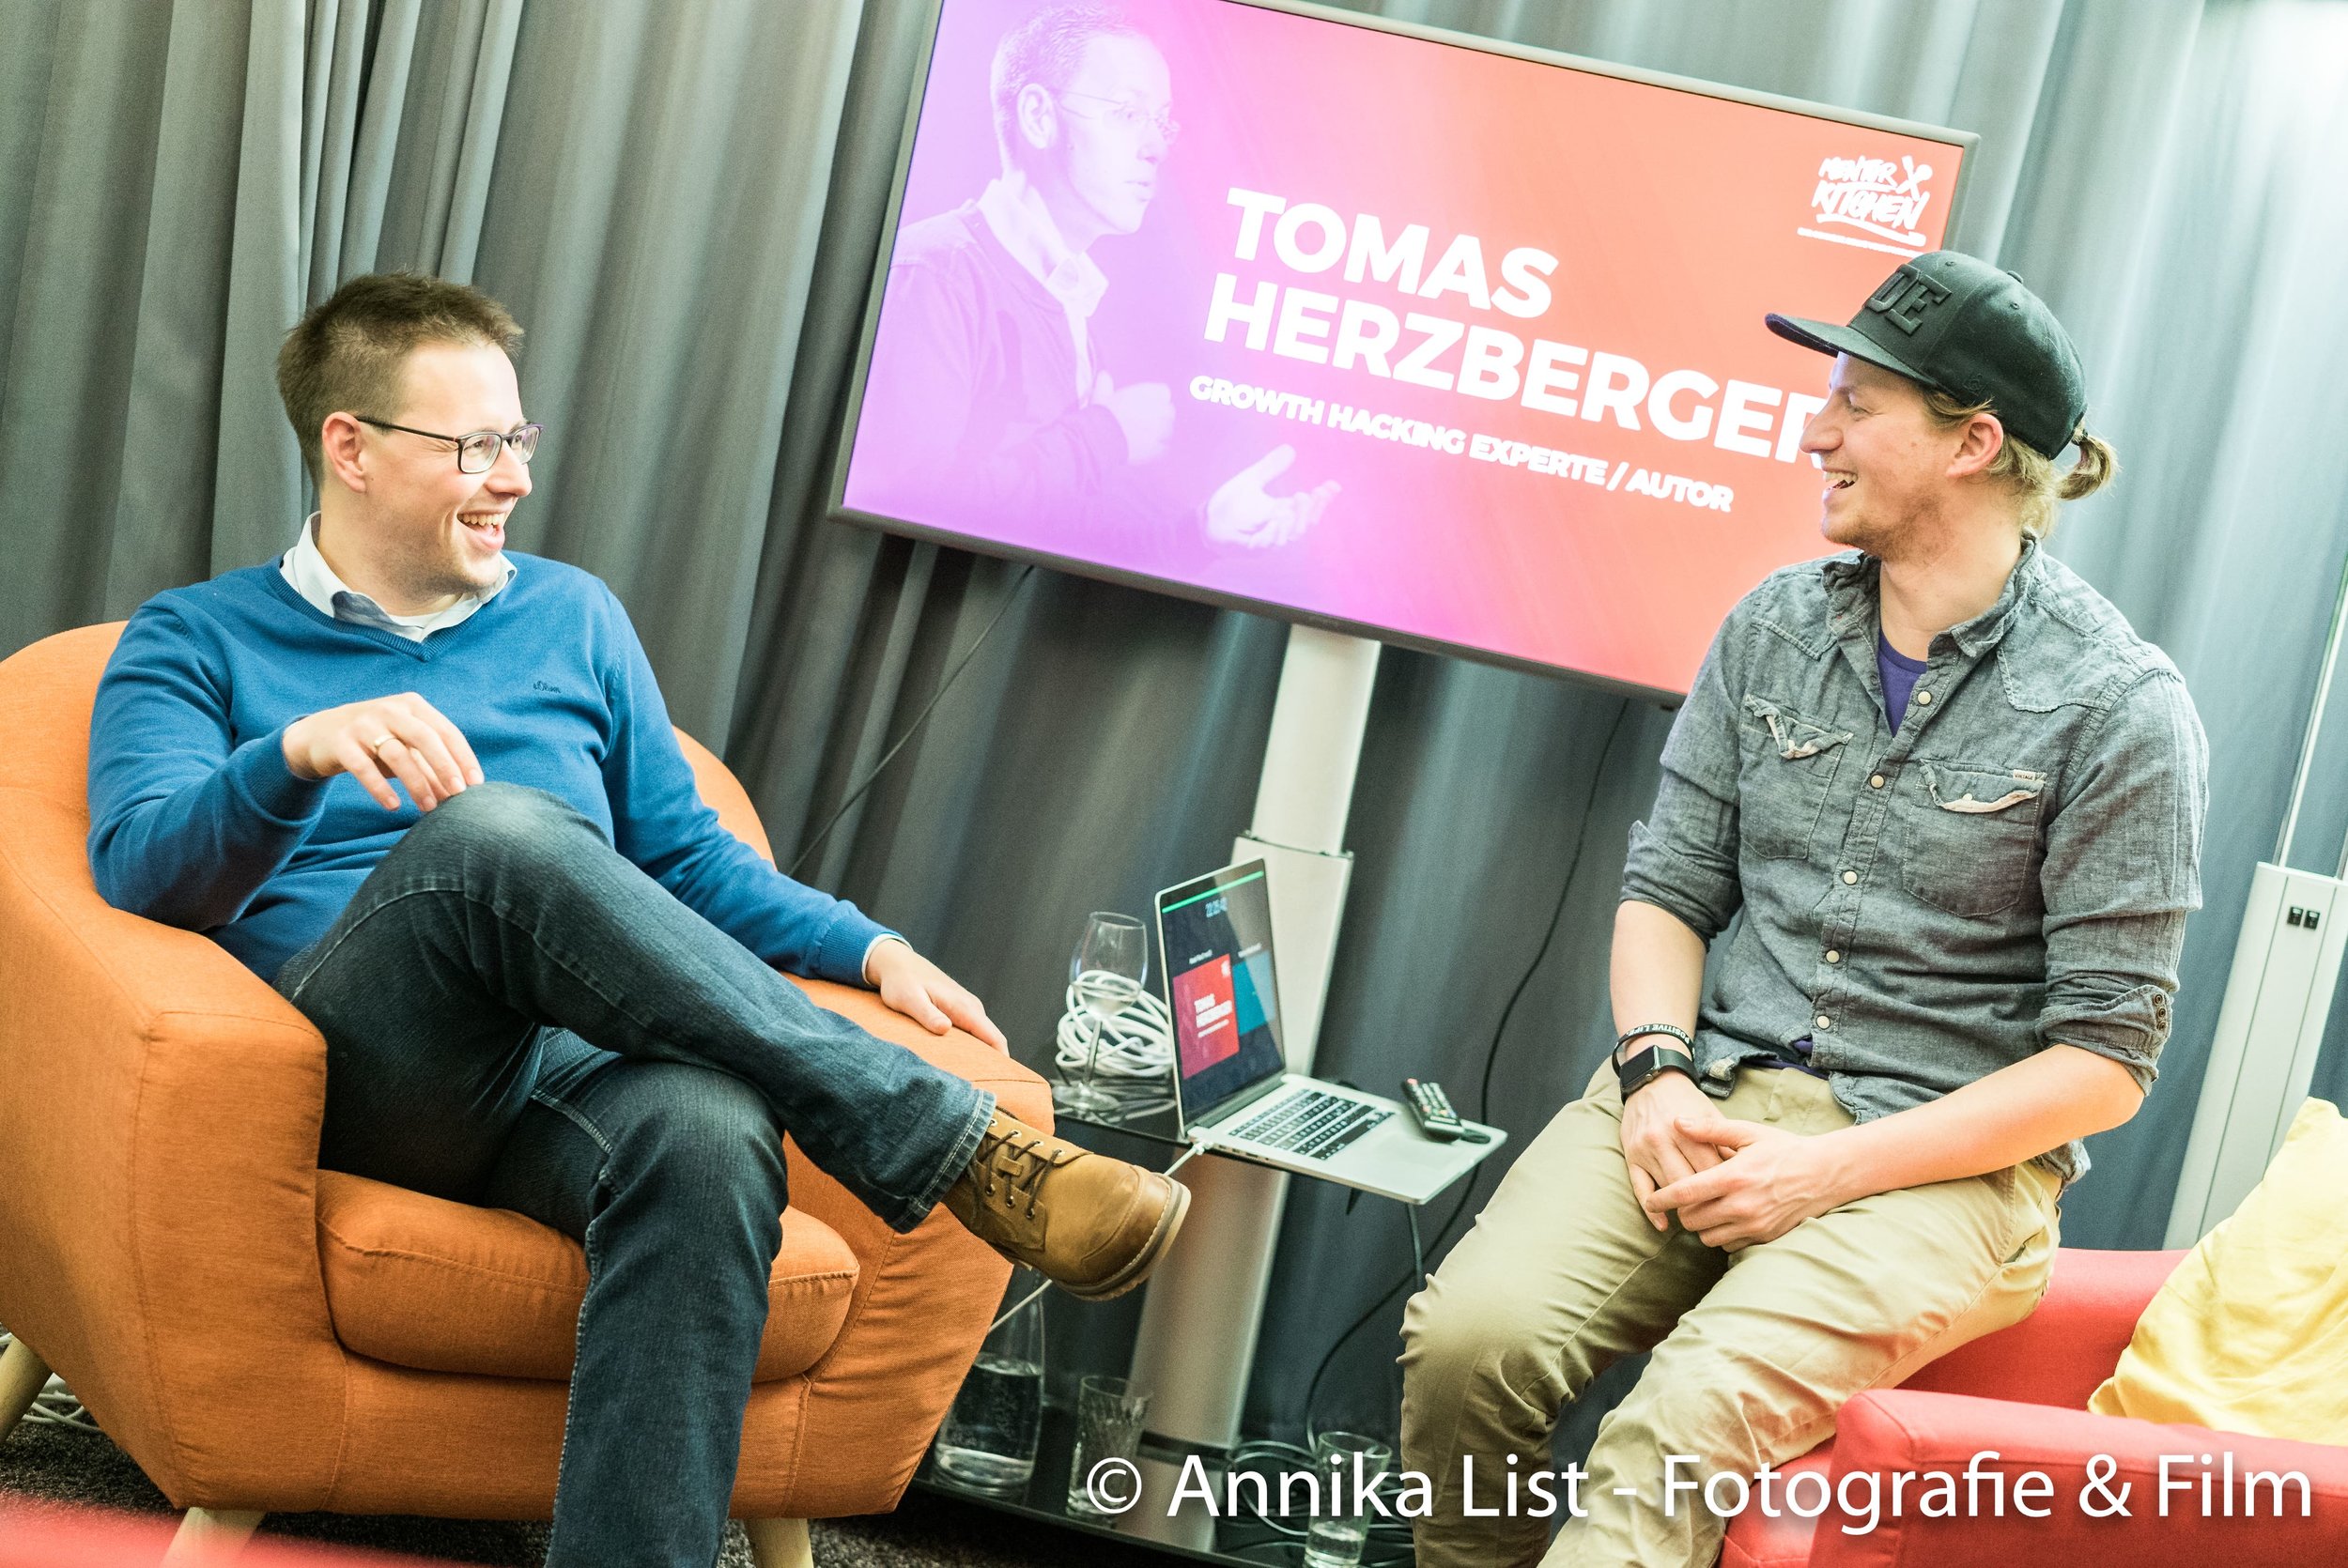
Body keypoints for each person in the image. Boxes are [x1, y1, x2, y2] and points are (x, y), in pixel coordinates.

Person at [85, 271, 1187, 1568]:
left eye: (519, 440)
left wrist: (870, 946)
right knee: (495, 834)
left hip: (559, 1082)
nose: (512, 479)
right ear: (352, 448)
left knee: (711, 1130)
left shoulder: (573, 615)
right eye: (474, 447)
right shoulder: (197, 641)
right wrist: (294, 755)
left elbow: (687, 861)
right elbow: (138, 870)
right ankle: (946, 1145)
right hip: (364, 1070)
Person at [1396, 251, 2208, 1567]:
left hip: (1934, 1164)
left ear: (1973, 441)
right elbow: (1668, 891)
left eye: (1857, 402)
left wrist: (1825, 1170)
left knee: (1678, 1428)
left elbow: (2105, 1064)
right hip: (1704, 1095)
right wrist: (1654, 1079)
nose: (1812, 428)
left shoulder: (2122, 706)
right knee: (1468, 1342)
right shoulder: (1771, 626)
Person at [855, 1, 1336, 553]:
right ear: (1039, 116)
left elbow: (1047, 529)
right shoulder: (936, 274)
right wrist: (1105, 437)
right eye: (1128, 114)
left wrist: (1201, 532)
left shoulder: (1071, 299)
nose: (1157, 148)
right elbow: (905, 501)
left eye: (1162, 121)